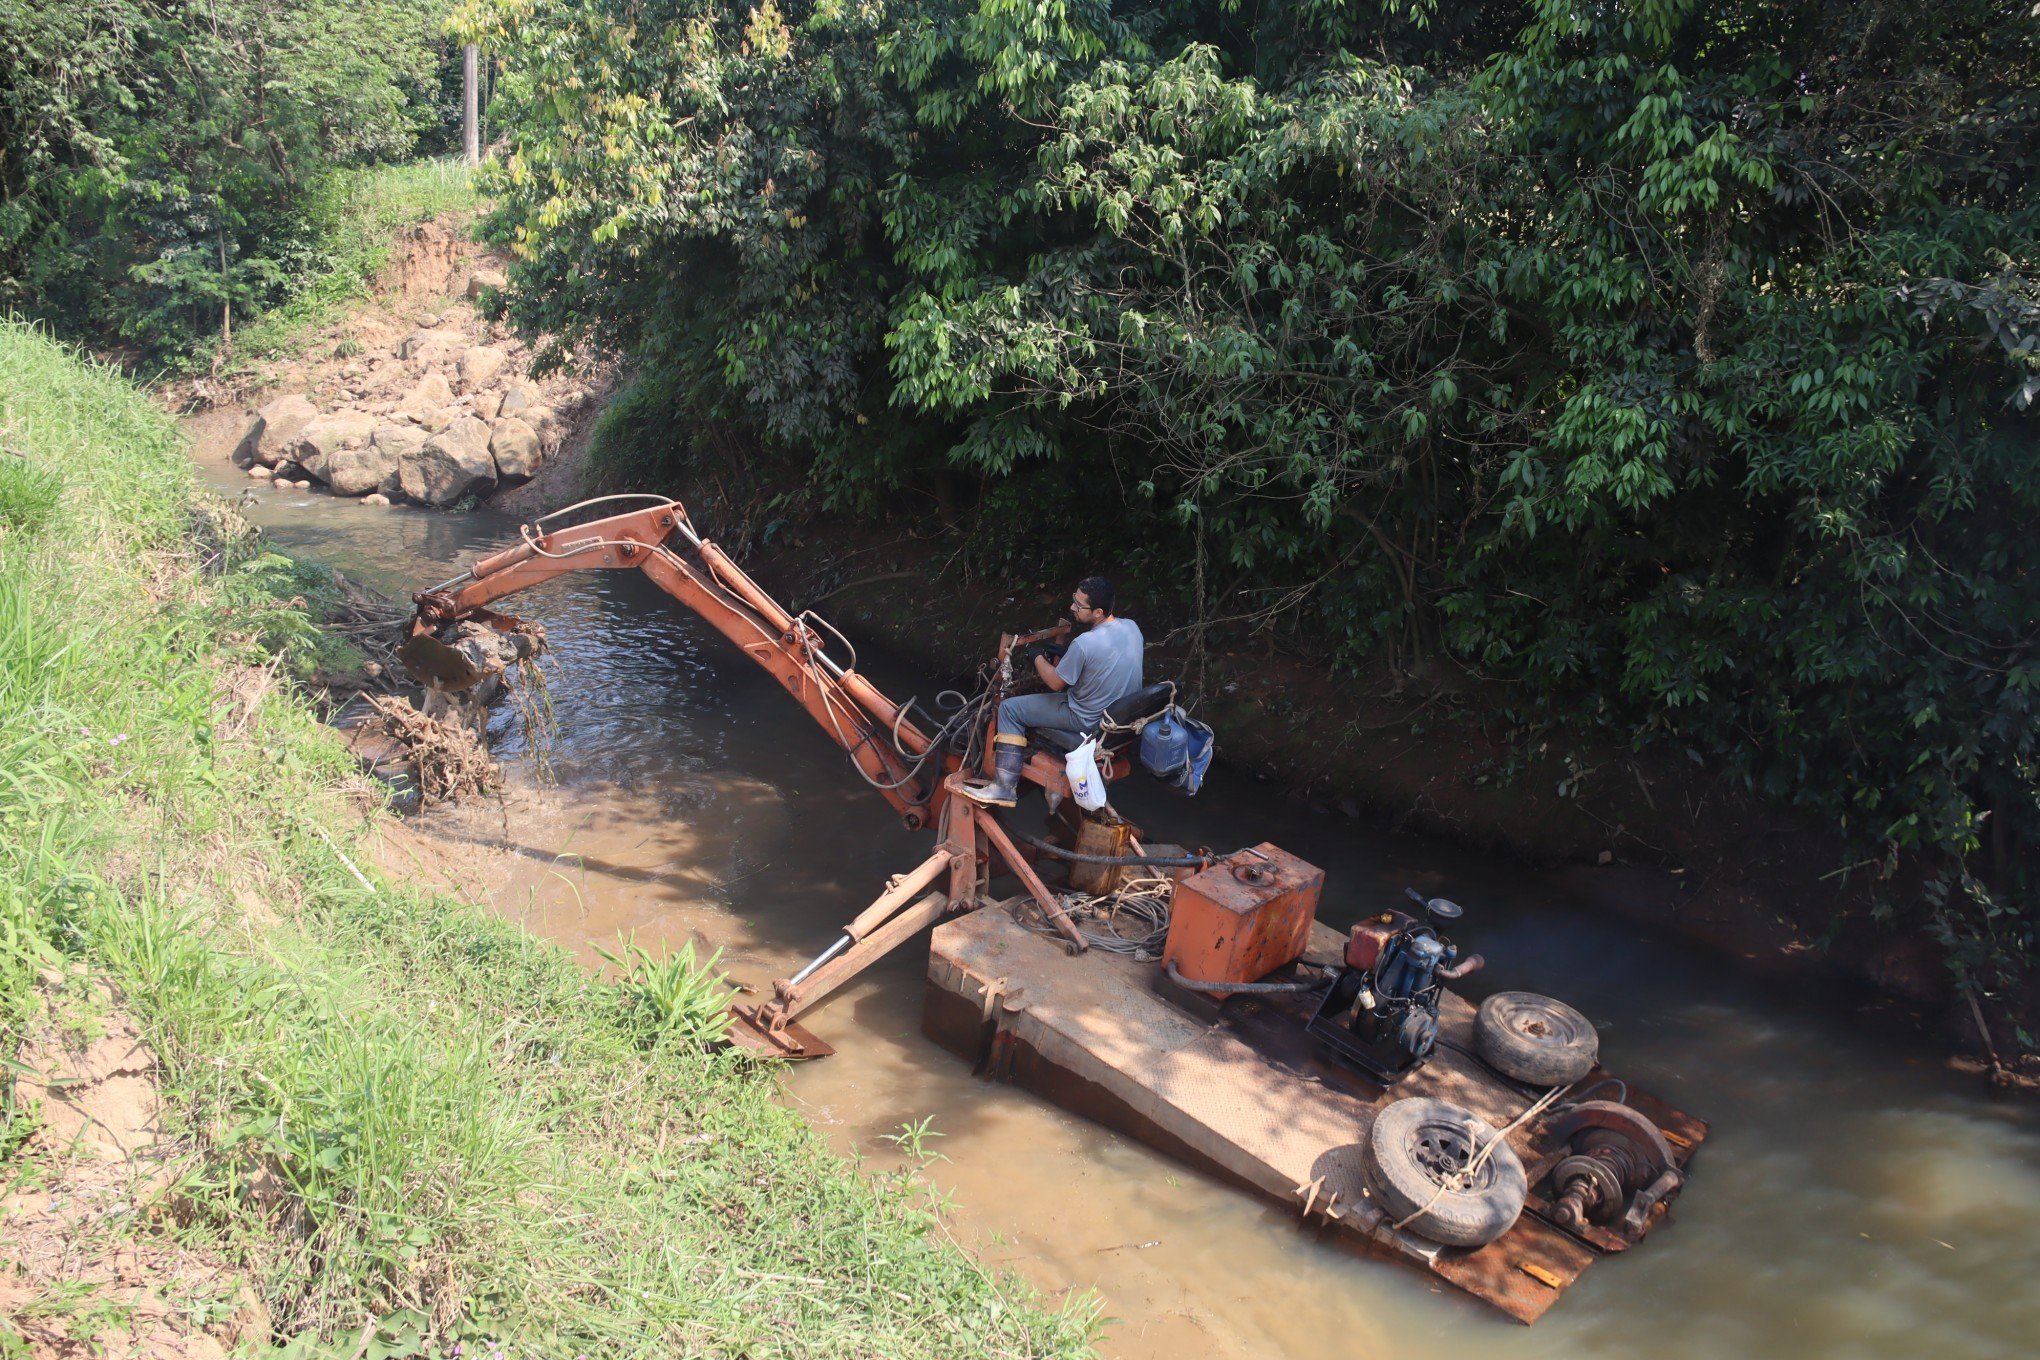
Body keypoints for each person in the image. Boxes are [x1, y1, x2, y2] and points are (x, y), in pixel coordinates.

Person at [964, 576, 1144, 807]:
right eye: (1073, 601)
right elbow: (1103, 661)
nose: (1072, 607)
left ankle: (1003, 787)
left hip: (1086, 719)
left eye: (1079, 605)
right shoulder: (1131, 628)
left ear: (1098, 611)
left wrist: (1036, 655)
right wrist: (1065, 652)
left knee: (1010, 709)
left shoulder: (1085, 643)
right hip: (1117, 720)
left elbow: (1055, 683)